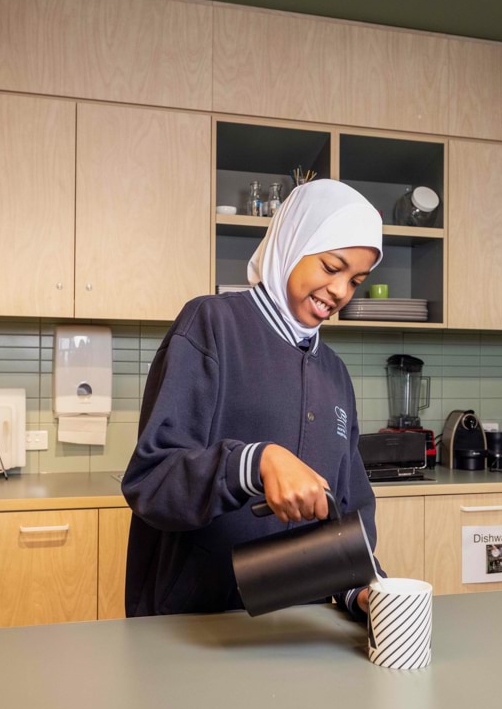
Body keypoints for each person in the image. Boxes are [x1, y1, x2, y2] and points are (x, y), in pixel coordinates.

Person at [120, 179, 386, 619]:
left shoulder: (335, 372)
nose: (340, 291)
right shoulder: (212, 326)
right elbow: (151, 482)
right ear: (292, 240)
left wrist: (363, 586)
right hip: (195, 630)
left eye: (355, 281)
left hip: (300, 634)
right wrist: (254, 462)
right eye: (330, 267)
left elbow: (350, 510)